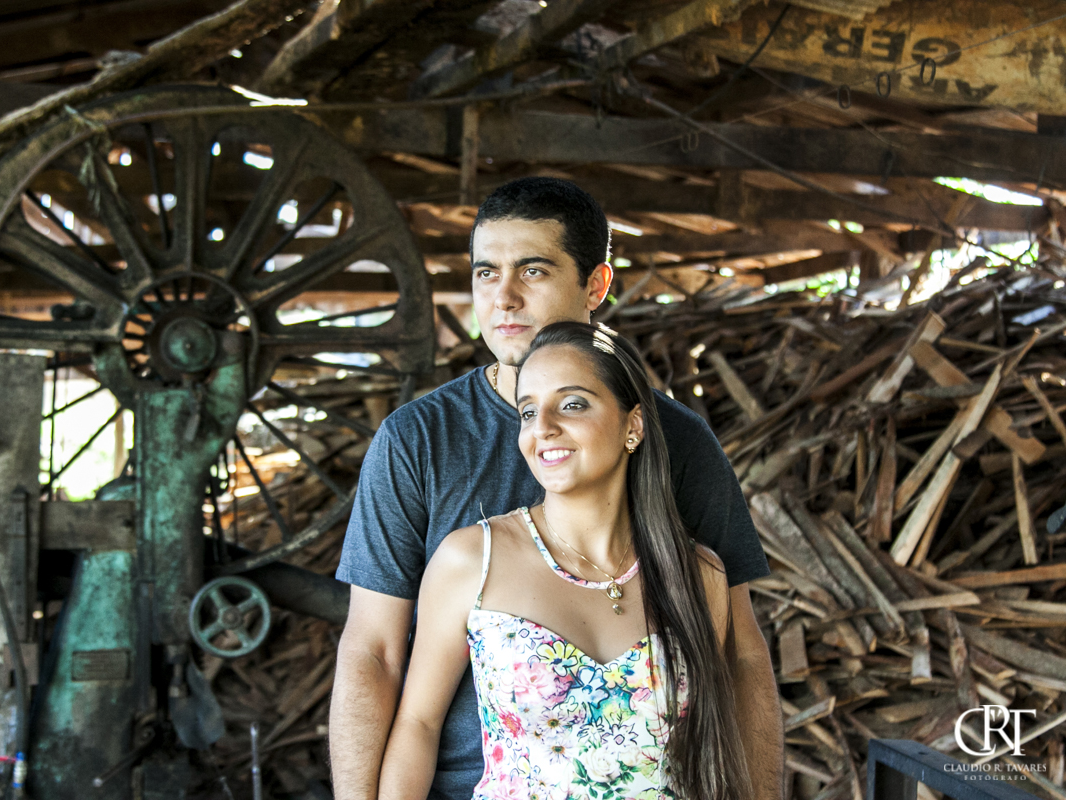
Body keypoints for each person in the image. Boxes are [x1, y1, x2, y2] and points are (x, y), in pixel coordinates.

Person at [330, 177, 782, 800]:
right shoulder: (418, 440)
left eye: (533, 270)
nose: (504, 297)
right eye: (486, 273)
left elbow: (741, 658)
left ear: (596, 286)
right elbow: (374, 653)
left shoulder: (678, 441)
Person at [378, 321, 754, 800]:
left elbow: (720, 744)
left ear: (633, 425)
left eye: (572, 404)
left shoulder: (700, 575)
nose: (543, 428)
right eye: (528, 411)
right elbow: (418, 725)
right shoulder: (471, 561)